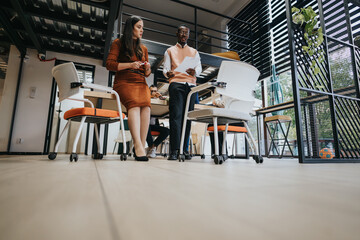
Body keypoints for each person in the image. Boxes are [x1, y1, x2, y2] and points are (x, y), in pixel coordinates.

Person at [106, 16, 151, 161]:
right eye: (139, 27)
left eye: (142, 27)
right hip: (124, 81)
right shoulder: (118, 43)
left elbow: (146, 73)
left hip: (141, 82)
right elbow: (110, 65)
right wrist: (130, 65)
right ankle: (138, 146)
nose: (142, 30)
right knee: (135, 105)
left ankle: (141, 144)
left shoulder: (143, 48)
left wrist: (148, 68)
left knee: (147, 107)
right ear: (130, 27)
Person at [163, 24, 202, 160]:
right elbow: (166, 69)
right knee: (176, 117)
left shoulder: (194, 52)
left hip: (191, 86)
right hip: (176, 84)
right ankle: (174, 150)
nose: (184, 35)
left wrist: (195, 71)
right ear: (177, 34)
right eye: (181, 33)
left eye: (186, 33)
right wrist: (167, 73)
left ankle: (184, 149)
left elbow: (199, 68)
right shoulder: (169, 51)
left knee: (187, 118)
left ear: (188, 35)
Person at [145, 85, 170, 158]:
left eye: (155, 91)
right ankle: (151, 147)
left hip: (153, 125)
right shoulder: (146, 98)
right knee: (147, 127)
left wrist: (160, 98)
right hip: (144, 125)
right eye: (151, 91)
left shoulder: (158, 101)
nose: (153, 93)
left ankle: (152, 147)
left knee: (167, 131)